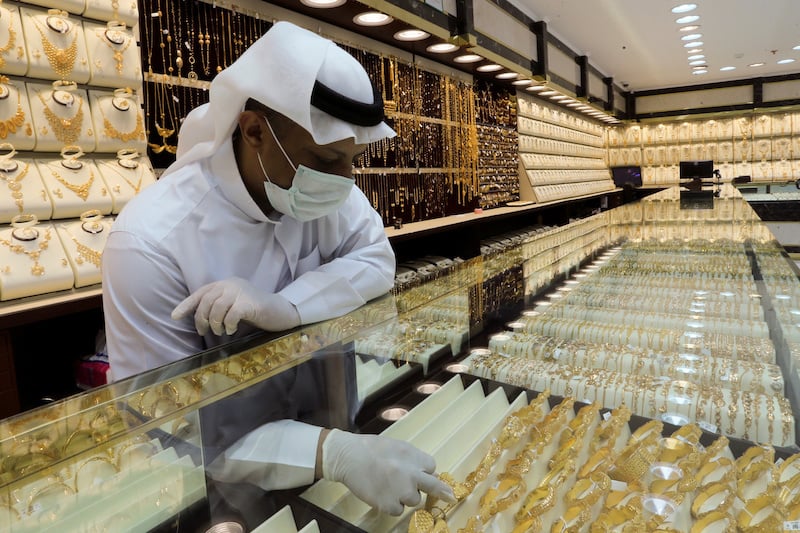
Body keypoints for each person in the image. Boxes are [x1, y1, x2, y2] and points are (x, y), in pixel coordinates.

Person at [102, 21, 454, 518]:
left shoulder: (327, 192)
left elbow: (377, 259)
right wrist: (331, 453)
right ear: (254, 131)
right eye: (327, 159)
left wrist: (287, 307)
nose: (345, 181)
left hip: (342, 458)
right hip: (224, 492)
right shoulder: (148, 243)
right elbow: (166, 421)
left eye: (353, 160)